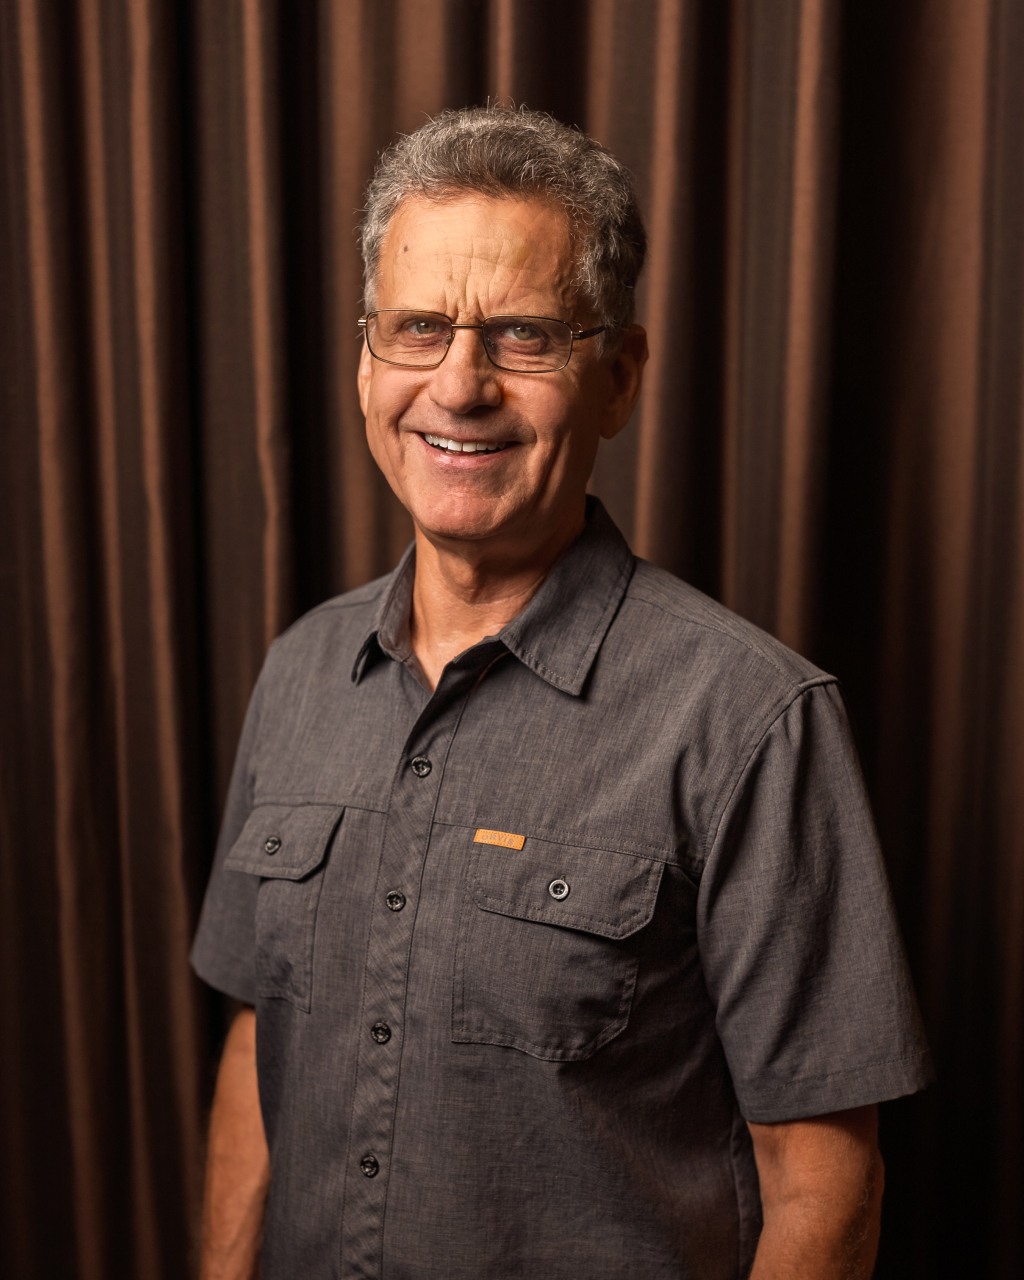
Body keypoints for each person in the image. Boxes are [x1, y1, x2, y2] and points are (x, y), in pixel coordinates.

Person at [192, 106, 932, 1280]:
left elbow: (825, 1182)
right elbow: (255, 1043)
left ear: (618, 376)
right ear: (365, 360)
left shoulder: (749, 718)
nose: (460, 384)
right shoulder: (298, 672)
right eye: (417, 327)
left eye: (524, 336)